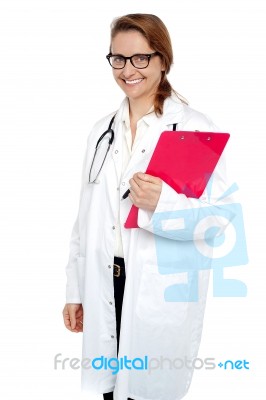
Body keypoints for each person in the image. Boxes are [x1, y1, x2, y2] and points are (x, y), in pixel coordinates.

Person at [62, 13, 234, 400]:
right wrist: (75, 289)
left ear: (162, 60)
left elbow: (218, 220)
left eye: (141, 58)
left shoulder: (193, 128)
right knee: (110, 389)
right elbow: (84, 218)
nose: (128, 70)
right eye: (118, 59)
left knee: (146, 390)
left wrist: (162, 205)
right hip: (104, 279)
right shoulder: (101, 132)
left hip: (156, 290)